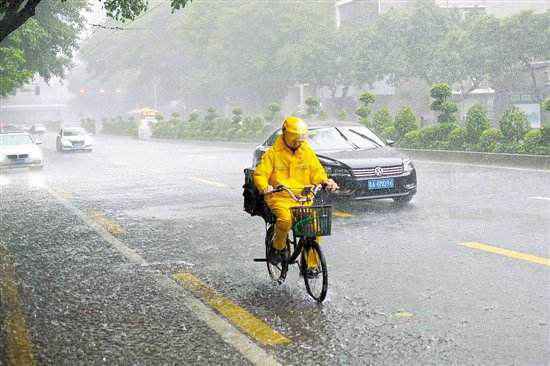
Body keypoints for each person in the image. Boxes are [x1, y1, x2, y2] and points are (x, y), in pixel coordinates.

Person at [253, 116, 338, 270]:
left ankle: (311, 266)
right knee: (285, 220)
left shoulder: (307, 151)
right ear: (286, 134)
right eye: (295, 138)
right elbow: (260, 174)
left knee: (314, 228)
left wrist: (326, 181)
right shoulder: (273, 153)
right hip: (280, 197)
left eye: (301, 138)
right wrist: (264, 187)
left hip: (304, 198)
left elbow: (317, 171)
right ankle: (277, 248)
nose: (298, 142)